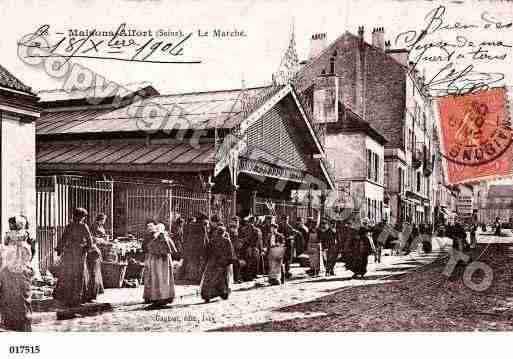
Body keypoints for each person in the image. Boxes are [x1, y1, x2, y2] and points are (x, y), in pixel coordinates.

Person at [53, 208, 92, 307]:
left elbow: (63, 238)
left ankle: (68, 296)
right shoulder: (83, 226)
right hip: (78, 252)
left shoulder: (70, 226)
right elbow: (90, 241)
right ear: (81, 217)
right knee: (78, 273)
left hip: (70, 252)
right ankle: (77, 296)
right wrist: (85, 250)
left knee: (68, 273)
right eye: (83, 217)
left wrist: (59, 249)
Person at [0, 241, 33, 331]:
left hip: (8, 314)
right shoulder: (26, 271)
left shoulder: (4, 271)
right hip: (23, 314)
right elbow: (26, 294)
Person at [142, 221, 175, 308]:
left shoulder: (158, 238)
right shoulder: (165, 238)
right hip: (165, 261)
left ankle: (160, 297)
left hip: (159, 262)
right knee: (165, 279)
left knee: (159, 279)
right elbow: (172, 249)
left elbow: (150, 248)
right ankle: (166, 296)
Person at [200, 225, 235, 302]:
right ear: (224, 233)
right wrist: (230, 261)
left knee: (210, 278)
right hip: (222, 262)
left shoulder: (212, 240)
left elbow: (206, 252)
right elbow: (230, 252)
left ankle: (207, 294)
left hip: (212, 262)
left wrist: (206, 261)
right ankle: (223, 293)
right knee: (223, 278)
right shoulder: (227, 241)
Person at [182, 212, 209, 283]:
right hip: (199, 246)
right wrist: (206, 246)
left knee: (192, 261)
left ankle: (190, 276)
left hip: (191, 245)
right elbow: (203, 238)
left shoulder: (191, 225)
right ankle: (197, 277)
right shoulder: (202, 226)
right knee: (199, 262)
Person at [278, 214, 299, 279]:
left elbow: (294, 234)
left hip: (288, 244)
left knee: (288, 259)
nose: (285, 221)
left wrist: (292, 236)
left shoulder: (289, 227)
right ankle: (280, 272)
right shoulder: (279, 227)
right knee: (281, 259)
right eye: (284, 219)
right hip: (281, 245)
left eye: (286, 219)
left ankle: (287, 271)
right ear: (282, 219)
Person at [266, 221, 286, 285]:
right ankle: (271, 278)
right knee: (271, 265)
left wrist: (278, 244)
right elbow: (267, 244)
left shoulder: (280, 236)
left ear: (276, 229)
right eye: (271, 228)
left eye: (274, 228)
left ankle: (281, 278)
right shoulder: (269, 236)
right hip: (271, 251)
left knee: (279, 265)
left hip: (278, 251)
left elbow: (283, 243)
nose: (272, 230)